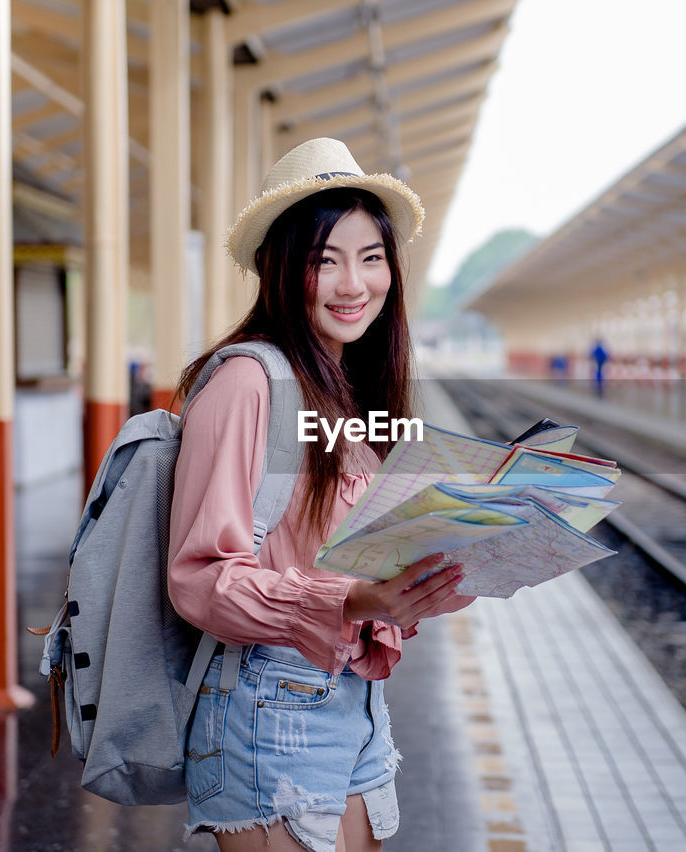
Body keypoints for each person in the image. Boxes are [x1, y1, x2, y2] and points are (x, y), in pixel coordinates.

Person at [167, 138, 475, 852]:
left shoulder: (348, 391)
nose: (353, 283)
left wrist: (439, 566)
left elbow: (338, 557)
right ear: (283, 268)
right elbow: (200, 580)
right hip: (263, 705)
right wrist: (352, 602)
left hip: (352, 700)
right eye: (324, 259)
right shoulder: (246, 385)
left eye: (371, 258)